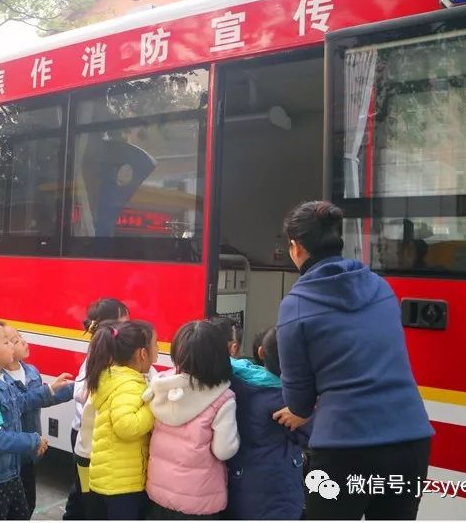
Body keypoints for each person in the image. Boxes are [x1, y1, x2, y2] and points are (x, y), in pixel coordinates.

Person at [273, 201, 434, 520]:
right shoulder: (379, 286)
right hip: (411, 440)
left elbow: (299, 398)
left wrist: (299, 411)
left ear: (297, 248)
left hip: (344, 448)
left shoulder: (296, 306)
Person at [0, 317, 73, 520]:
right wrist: (33, 440)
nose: (12, 345)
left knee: (21, 513)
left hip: (10, 470)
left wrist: (49, 390)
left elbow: (20, 402)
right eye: (6, 342)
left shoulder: (3, 380)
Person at [144, 321, 239, 519]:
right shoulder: (222, 397)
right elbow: (223, 450)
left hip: (159, 491)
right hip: (198, 500)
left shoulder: (162, 385)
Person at [225, 327, 310, 520]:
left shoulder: (238, 378)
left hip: (241, 481)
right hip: (277, 491)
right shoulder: (287, 402)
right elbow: (309, 434)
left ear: (261, 352)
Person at [63, 298, 130, 520]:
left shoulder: (105, 354)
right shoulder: (97, 356)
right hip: (87, 437)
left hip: (92, 437)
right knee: (84, 493)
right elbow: (79, 393)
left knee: (87, 492)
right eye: (125, 318)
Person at [85, 321, 157, 520]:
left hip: (107, 480)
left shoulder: (113, 378)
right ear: (142, 353)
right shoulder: (129, 384)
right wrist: (153, 406)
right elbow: (126, 426)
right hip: (122, 485)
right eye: (156, 345)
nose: (158, 351)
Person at [4, 324, 74, 516]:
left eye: (21, 336)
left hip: (29, 454)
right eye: (16, 341)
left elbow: (42, 399)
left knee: (28, 504)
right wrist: (49, 389)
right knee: (7, 508)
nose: (24, 342)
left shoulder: (31, 371)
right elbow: (20, 402)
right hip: (8, 456)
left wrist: (75, 389)